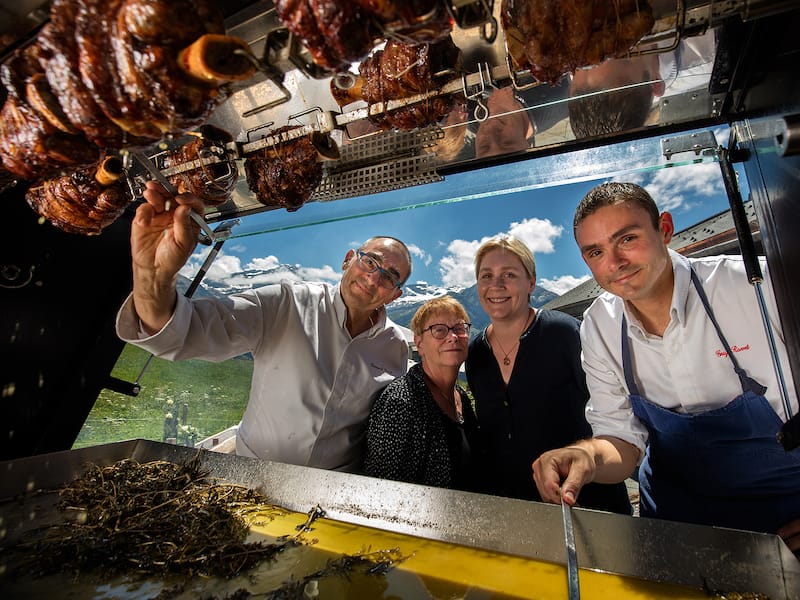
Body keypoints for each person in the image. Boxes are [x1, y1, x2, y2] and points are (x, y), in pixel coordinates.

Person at [531, 182, 800, 595]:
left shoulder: (754, 287)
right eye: (595, 252)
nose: (614, 262)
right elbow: (621, 441)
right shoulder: (600, 325)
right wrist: (584, 455)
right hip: (676, 523)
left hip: (788, 522)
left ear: (665, 229)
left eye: (628, 239)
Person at [116, 181, 412, 471]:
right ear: (348, 260)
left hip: (336, 489)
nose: (373, 279)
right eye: (370, 263)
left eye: (389, 277)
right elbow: (187, 332)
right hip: (254, 476)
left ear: (396, 295)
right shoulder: (286, 303)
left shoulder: (397, 346)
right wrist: (151, 276)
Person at [465, 235, 632, 513]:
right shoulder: (475, 353)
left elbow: (613, 416)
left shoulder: (565, 333)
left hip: (586, 500)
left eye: (509, 274)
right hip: (516, 507)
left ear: (531, 283)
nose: (496, 285)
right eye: (486, 276)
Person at [364, 297, 474, 489]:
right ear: (419, 343)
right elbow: (383, 490)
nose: (453, 337)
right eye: (439, 330)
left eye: (459, 328)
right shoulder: (401, 402)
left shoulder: (460, 397)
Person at [568, 30, 717, 138]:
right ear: (655, 82)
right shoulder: (708, 45)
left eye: (576, 68)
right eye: (622, 53)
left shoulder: (569, 52)